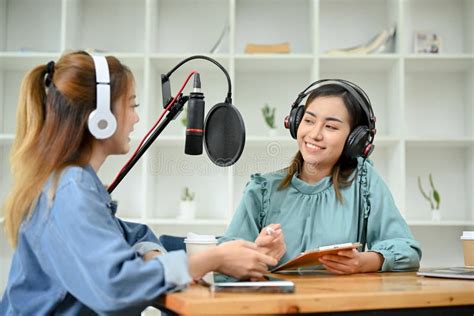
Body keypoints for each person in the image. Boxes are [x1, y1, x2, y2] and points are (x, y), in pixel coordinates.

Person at [0, 51, 278, 315]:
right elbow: (117, 288)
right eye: (131, 105)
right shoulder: (70, 189)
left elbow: (131, 235)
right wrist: (214, 259)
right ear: (100, 118)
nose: (135, 118)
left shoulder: (76, 183)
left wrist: (152, 253)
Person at [220, 80, 422, 274]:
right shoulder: (262, 189)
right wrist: (255, 254)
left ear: (355, 140)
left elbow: (407, 251)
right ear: (295, 123)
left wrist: (364, 262)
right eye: (308, 120)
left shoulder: (363, 182)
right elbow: (223, 263)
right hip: (277, 306)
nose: (315, 134)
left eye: (331, 127)